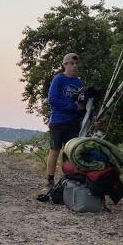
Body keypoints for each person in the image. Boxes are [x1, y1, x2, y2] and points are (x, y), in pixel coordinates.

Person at [45, 53, 85, 188]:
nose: (74, 66)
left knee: (69, 152)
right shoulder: (59, 79)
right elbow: (52, 99)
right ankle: (50, 179)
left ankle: (67, 179)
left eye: (76, 64)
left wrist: (91, 116)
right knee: (55, 150)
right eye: (71, 64)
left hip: (73, 123)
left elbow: (83, 102)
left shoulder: (79, 82)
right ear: (65, 65)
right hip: (58, 121)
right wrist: (72, 107)